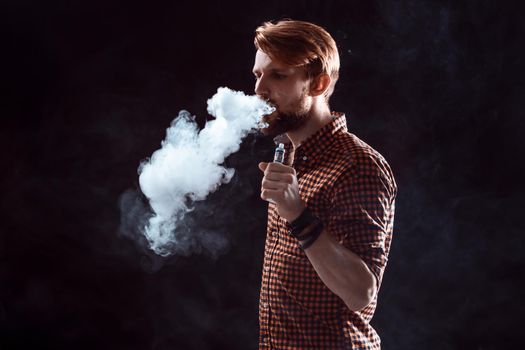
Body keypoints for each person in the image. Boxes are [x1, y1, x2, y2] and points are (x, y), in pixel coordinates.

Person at [253, 19, 397, 349]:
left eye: (278, 75)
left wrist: (297, 214)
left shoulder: (358, 166)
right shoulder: (287, 153)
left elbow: (360, 293)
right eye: (258, 75)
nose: (259, 90)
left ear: (318, 85)